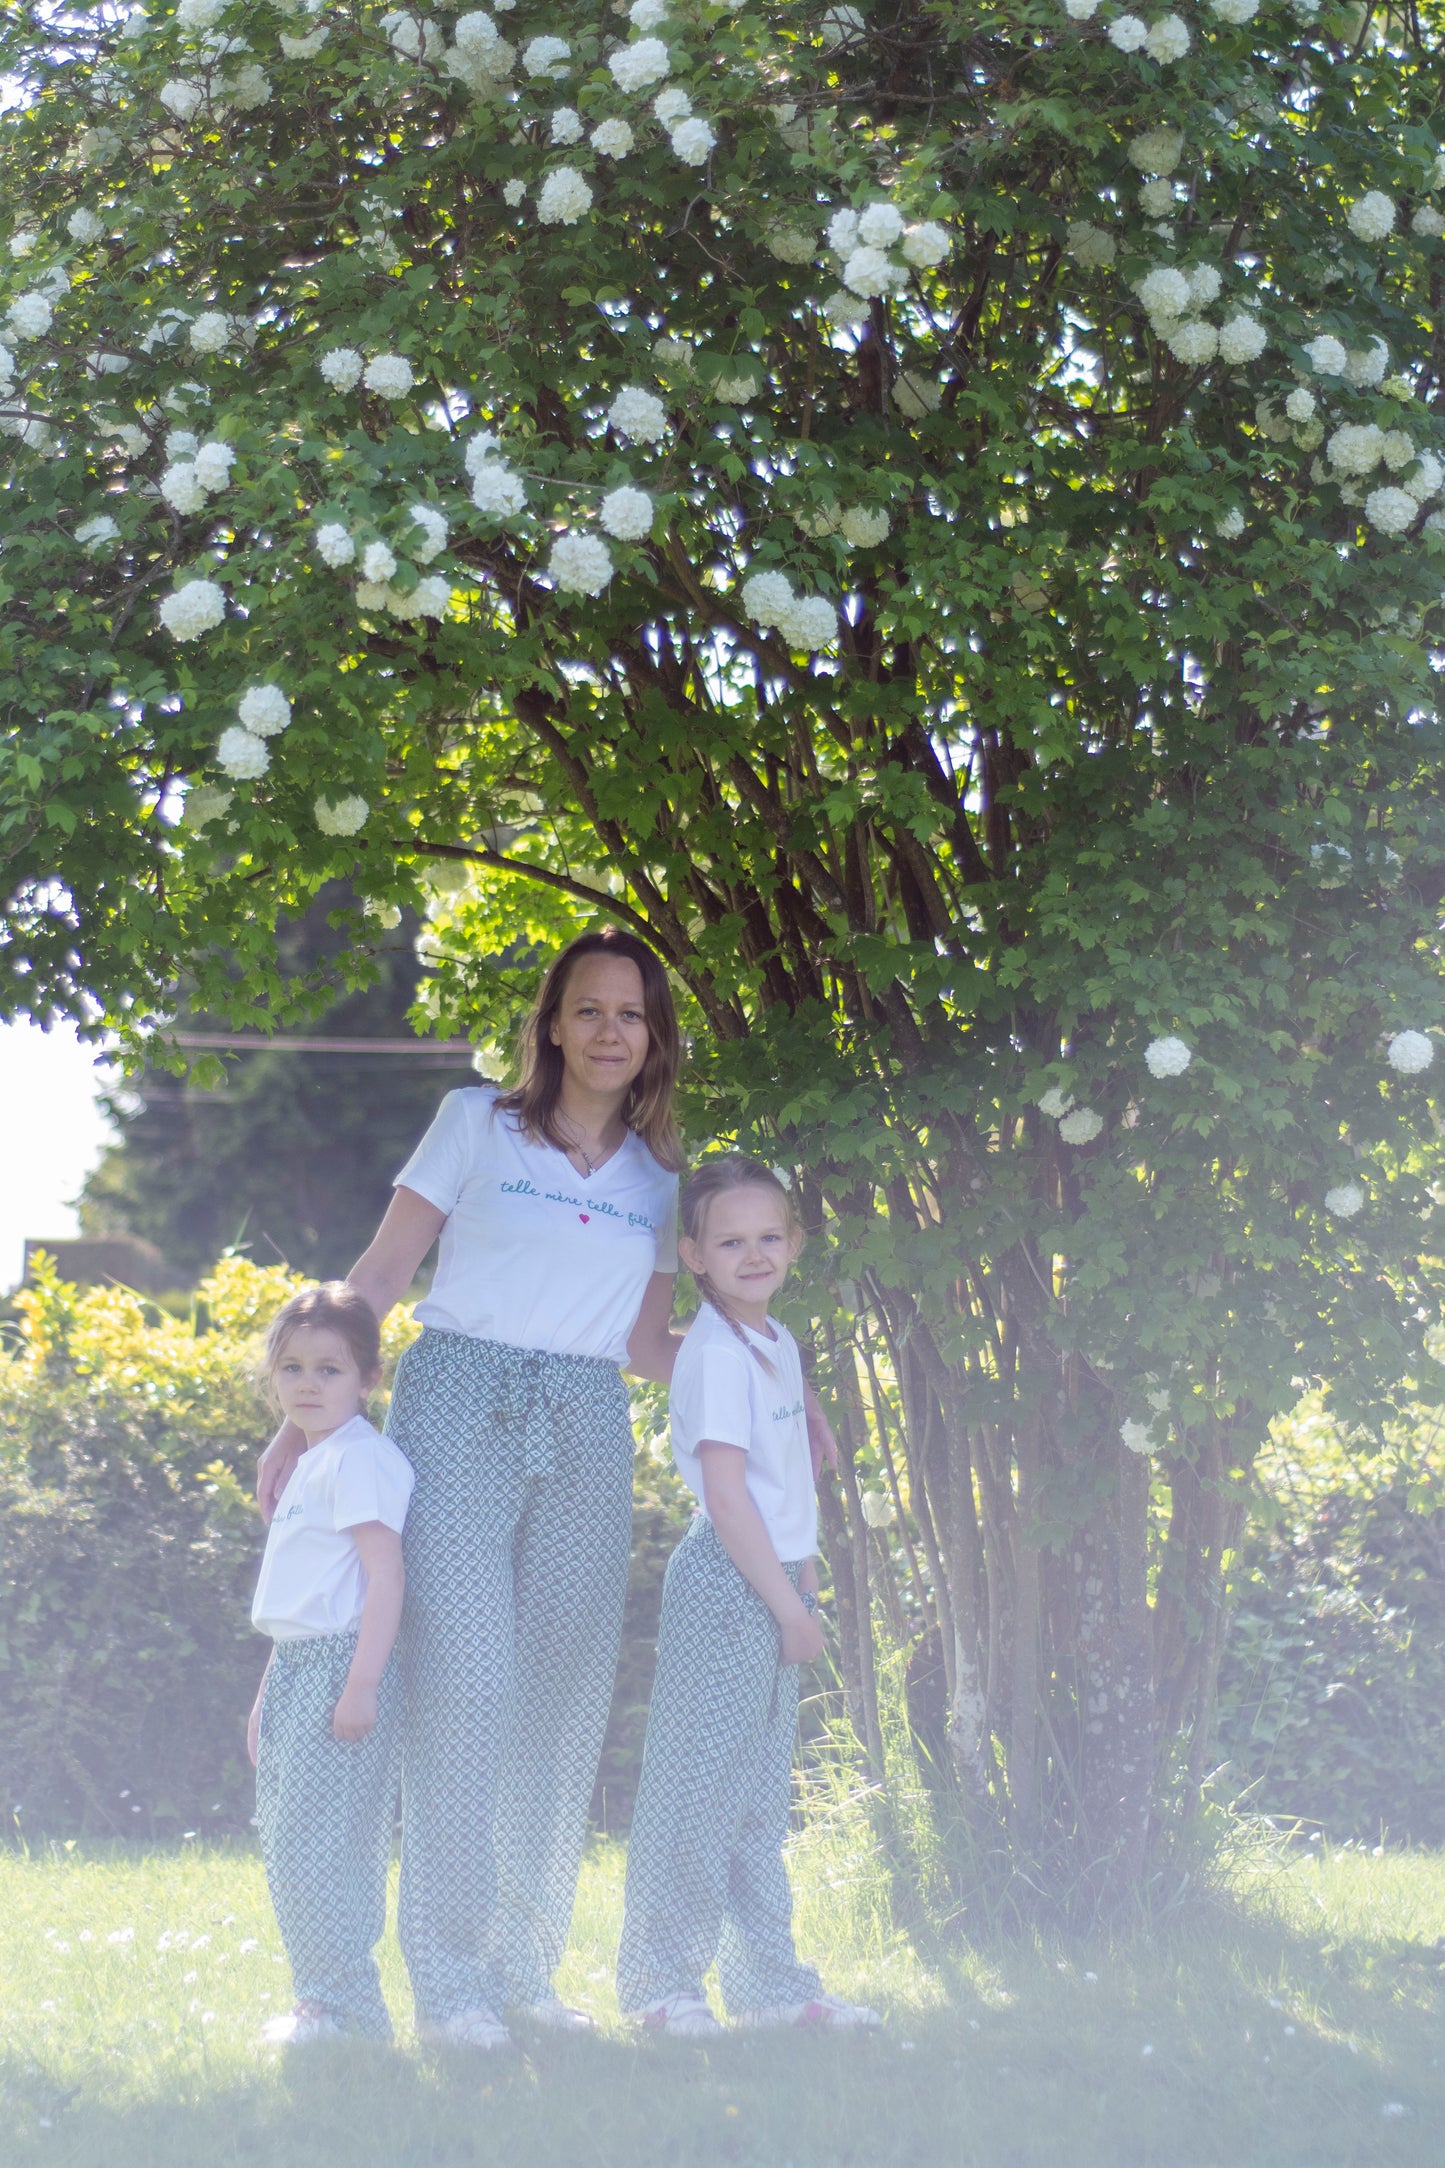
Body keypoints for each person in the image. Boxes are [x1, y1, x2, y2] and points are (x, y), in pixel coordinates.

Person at [256, 927, 686, 2050]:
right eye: (587, 1009)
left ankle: (521, 1968)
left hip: (587, 1424)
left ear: (653, 1037)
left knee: (558, 1699)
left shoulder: (657, 1179)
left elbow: (649, 1346)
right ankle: (446, 1983)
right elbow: (380, 1278)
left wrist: (771, 1378)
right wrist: (304, 1420)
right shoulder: (473, 1123)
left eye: (629, 1013)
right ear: (551, 1022)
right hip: (456, 1408)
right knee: (467, 1691)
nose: (607, 1030)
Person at [616, 1155, 881, 2036]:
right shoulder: (717, 1357)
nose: (754, 1253)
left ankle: (770, 1989)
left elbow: (775, 1476)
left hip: (777, 1579)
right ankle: (660, 1989)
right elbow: (727, 1499)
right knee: (695, 1798)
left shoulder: (773, 1342)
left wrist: (807, 1404)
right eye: (729, 1241)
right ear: (692, 1255)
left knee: (757, 1805)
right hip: (734, 1588)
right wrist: (792, 1610)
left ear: (795, 1242)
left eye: (770, 1235)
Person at [247, 1282, 414, 2046]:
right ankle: (322, 1999)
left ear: (368, 1379)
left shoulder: (360, 1460)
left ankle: (341, 2008)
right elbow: (297, 1600)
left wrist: (362, 1686)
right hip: (295, 1667)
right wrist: (264, 1699)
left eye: (328, 1369)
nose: (307, 1384)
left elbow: (384, 1575)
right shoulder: (310, 1463)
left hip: (341, 1669)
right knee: (288, 1843)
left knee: (324, 1846)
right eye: (291, 1369)